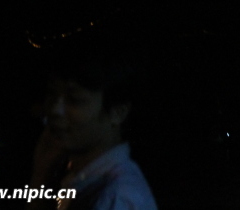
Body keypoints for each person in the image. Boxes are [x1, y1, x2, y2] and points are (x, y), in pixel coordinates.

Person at [31, 39, 156, 210]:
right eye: (52, 93)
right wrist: (41, 175)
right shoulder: (82, 180)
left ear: (118, 112)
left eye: (74, 100)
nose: (54, 110)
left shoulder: (115, 197)